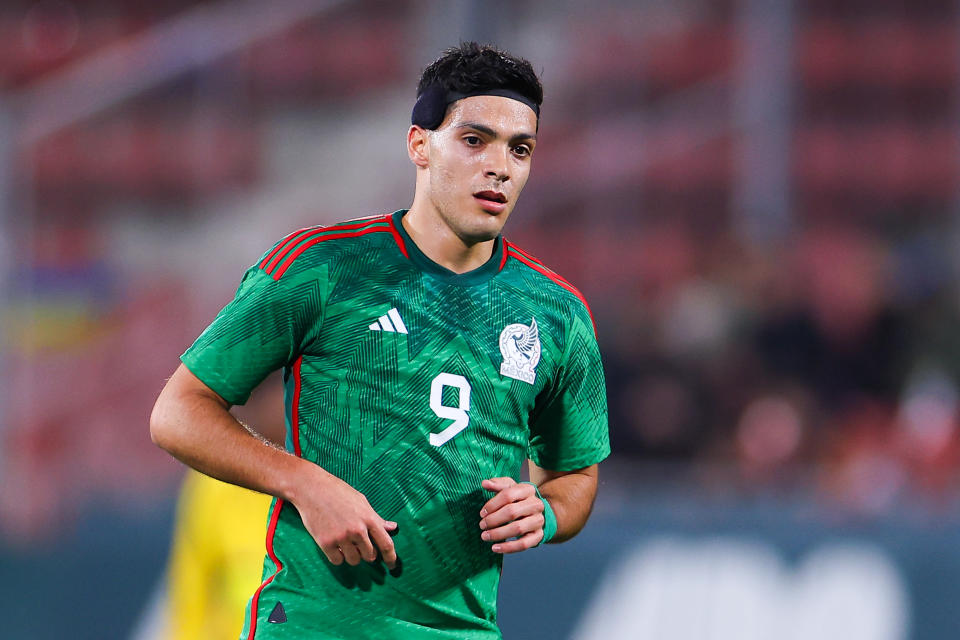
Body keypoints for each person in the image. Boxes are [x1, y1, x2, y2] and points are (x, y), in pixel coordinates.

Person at [150, 41, 609, 639]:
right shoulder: (320, 267)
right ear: (420, 144)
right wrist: (304, 482)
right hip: (313, 625)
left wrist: (544, 512)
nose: (500, 166)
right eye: (474, 141)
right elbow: (176, 413)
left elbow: (575, 477)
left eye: (519, 149)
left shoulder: (559, 314)